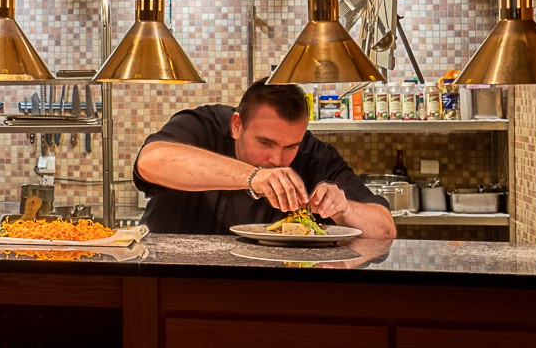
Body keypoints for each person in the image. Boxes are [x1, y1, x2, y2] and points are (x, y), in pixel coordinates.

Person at [134, 77, 398, 238]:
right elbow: (149, 161)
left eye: (291, 146)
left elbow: (385, 229)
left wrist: (344, 209)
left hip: (267, 288)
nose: (277, 159)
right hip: (167, 276)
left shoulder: (314, 154)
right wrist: (253, 177)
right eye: (265, 142)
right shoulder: (203, 125)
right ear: (237, 125)